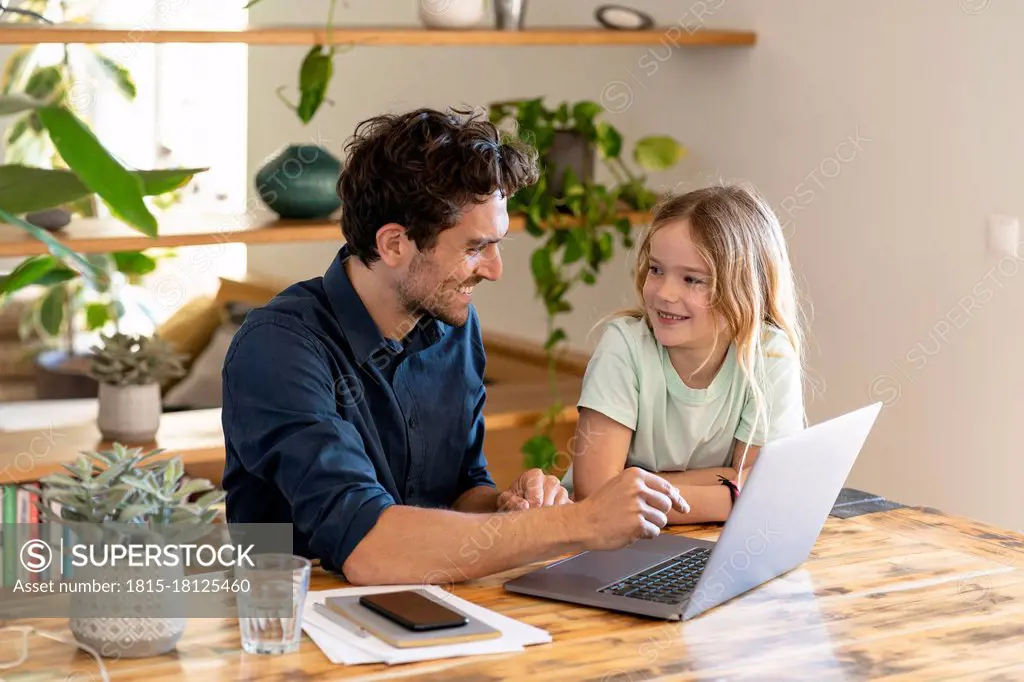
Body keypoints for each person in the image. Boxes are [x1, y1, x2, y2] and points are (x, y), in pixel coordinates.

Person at [221, 107, 688, 585]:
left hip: (429, 609)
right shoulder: (277, 349)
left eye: (496, 243)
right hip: (288, 626)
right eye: (474, 248)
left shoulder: (452, 325)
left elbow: (462, 489)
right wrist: (577, 523)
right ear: (394, 244)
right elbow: (369, 548)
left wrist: (510, 506)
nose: (494, 268)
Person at [566, 184, 807, 524]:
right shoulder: (625, 347)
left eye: (692, 279)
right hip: (605, 547)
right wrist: (731, 491)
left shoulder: (769, 355)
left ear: (746, 289)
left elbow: (768, 492)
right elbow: (598, 498)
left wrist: (636, 486)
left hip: (708, 542)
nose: (664, 293)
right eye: (656, 269)